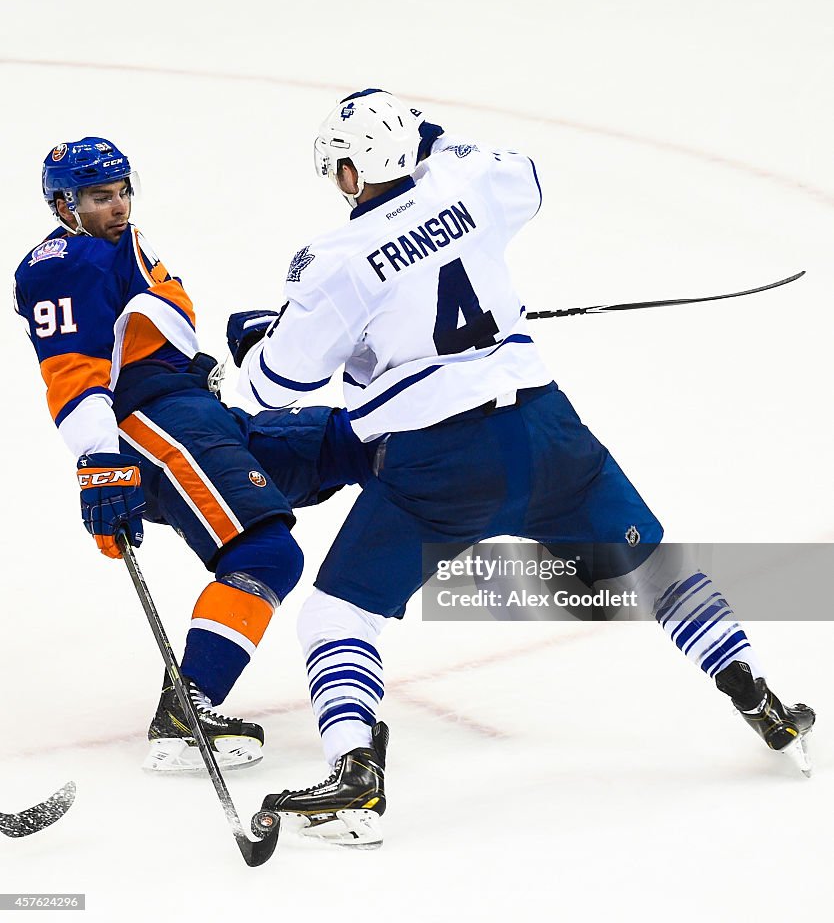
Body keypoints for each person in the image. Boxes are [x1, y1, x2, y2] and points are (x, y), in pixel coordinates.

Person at [230, 90, 815, 847]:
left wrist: (253, 344)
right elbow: (524, 172)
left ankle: (354, 773)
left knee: (338, 613)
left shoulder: (333, 263)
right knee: (654, 567)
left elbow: (278, 387)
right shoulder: (468, 187)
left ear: (347, 174)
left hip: (438, 465)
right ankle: (756, 694)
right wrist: (427, 140)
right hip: (547, 434)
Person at [13, 137, 372, 774]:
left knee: (354, 441)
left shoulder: (117, 242)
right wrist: (101, 461)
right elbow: (72, 373)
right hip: (157, 425)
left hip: (196, 413)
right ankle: (187, 711)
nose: (119, 205)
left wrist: (209, 355)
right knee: (265, 552)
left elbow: (140, 331)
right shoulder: (64, 264)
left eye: (124, 190)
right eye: (101, 196)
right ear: (63, 205)